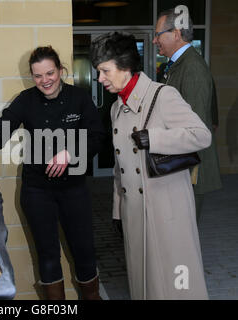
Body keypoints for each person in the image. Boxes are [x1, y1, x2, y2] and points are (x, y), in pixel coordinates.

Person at [0, 46, 106, 300]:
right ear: (31, 76)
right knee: (47, 255)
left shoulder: (79, 98)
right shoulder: (25, 100)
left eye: (50, 73)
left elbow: (98, 136)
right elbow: (4, 125)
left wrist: (70, 153)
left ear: (61, 70)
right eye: (38, 76)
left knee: (84, 252)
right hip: (37, 190)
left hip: (74, 190)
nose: (45, 81)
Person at [90, 31, 211, 299]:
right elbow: (120, 168)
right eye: (99, 71)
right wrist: (118, 210)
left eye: (105, 71)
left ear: (125, 66)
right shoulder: (116, 108)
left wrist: (155, 138)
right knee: (144, 282)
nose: (100, 79)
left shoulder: (163, 95)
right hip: (134, 211)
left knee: (178, 281)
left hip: (167, 209)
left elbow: (201, 135)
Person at [154, 7, 222, 224]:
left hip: (188, 170)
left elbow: (196, 129)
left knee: (183, 236)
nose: (155, 41)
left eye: (158, 35)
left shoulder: (191, 67)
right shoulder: (179, 64)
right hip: (180, 167)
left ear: (175, 34)